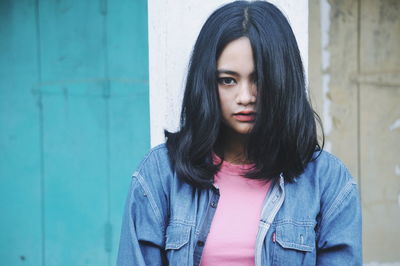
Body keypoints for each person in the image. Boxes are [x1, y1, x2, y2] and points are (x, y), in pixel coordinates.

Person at [117, 1, 362, 265]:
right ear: (207, 83)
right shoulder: (160, 174)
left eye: (260, 79)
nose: (245, 97)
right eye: (228, 80)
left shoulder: (328, 182)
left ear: (283, 80)